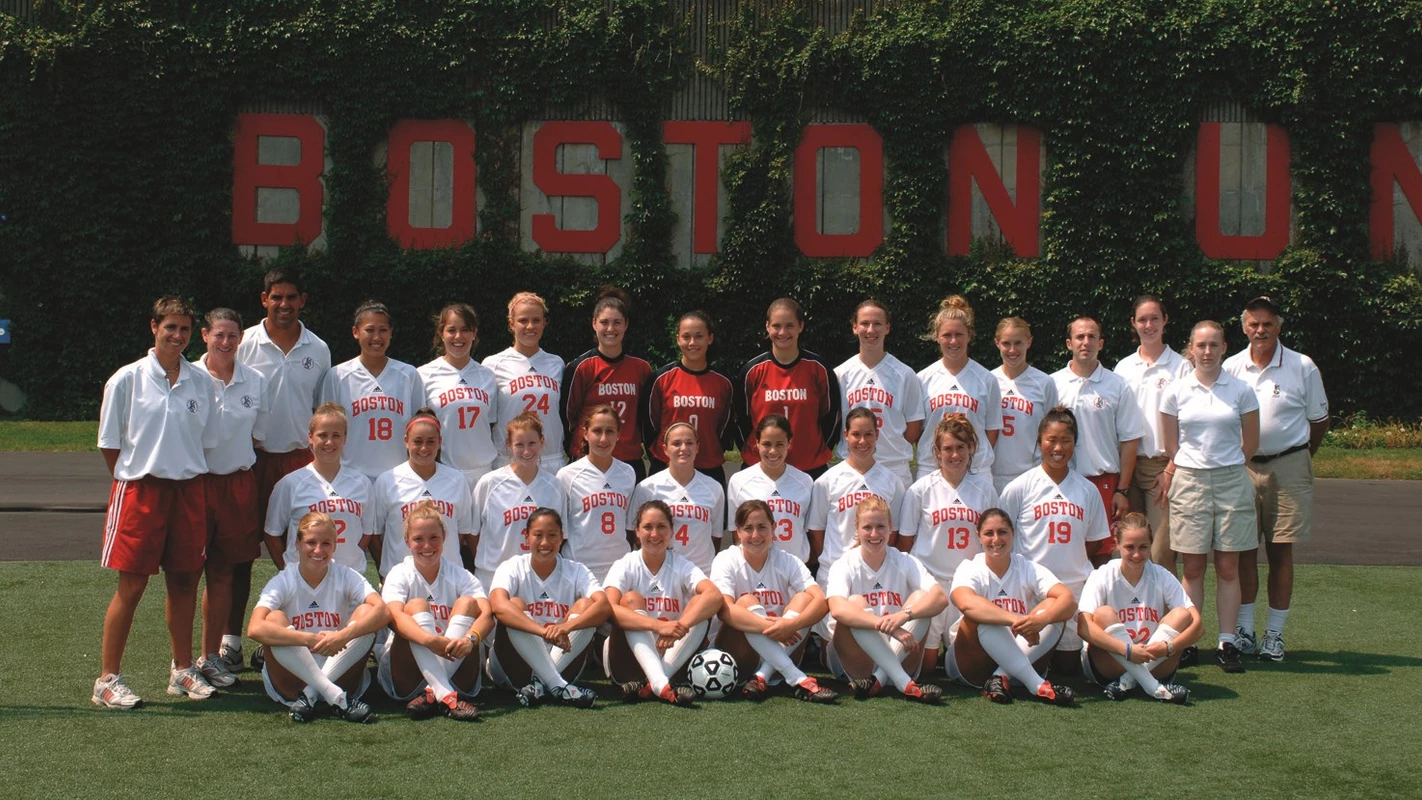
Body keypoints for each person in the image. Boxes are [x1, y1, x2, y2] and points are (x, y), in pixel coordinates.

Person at [93, 296, 218, 709]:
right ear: (154, 327)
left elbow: (206, 441)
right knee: (132, 586)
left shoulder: (202, 382)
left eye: (184, 329)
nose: (177, 336)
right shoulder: (126, 379)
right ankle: (107, 680)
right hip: (140, 492)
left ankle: (182, 670)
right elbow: (111, 446)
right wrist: (140, 470)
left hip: (188, 491)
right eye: (171, 328)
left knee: (184, 581)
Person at [232, 266, 331, 672]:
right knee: (236, 555)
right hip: (249, 460)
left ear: (303, 300)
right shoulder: (243, 345)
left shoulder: (318, 348)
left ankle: (292, 632)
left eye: (292, 297)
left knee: (302, 555)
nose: (284, 305)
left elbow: (322, 412)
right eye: (277, 297)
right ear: (263, 299)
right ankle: (228, 643)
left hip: (298, 462)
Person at [1223, 295, 1329, 664]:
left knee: (1281, 550)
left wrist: (1297, 456)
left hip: (1289, 465)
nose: (1260, 330)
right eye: (1253, 324)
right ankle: (1246, 631)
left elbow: (1319, 421)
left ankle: (1274, 636)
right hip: (1242, 467)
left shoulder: (1302, 366)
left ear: (1279, 326)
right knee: (1243, 550)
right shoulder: (1231, 367)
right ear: (1243, 328)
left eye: (1267, 323)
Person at [1161, 320, 1260, 674]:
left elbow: (1250, 444)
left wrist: (1226, 466)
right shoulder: (1175, 391)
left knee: (1229, 567)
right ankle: (1189, 640)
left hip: (1232, 480)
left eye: (1213, 345)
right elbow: (1172, 445)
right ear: (1191, 348)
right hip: (1189, 482)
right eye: (1201, 345)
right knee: (1193, 568)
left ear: (1223, 348)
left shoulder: (1241, 390)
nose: (1207, 352)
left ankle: (1227, 641)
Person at [247, 512, 389, 723]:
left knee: (367, 613)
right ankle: (336, 697)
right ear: (297, 543)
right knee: (274, 619)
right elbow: (255, 628)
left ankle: (312, 695)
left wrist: (342, 635)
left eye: (326, 543)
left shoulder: (346, 575)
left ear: (335, 546)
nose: (318, 550)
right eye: (311, 542)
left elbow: (383, 611)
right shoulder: (285, 579)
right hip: (292, 680)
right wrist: (309, 639)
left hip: (340, 669)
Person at [998, 406, 1112, 669]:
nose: (1058, 448)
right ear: (1039, 443)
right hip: (1030, 590)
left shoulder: (1087, 490)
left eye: (1066, 441)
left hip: (1072, 589)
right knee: (1033, 663)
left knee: (1067, 668)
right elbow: (1002, 538)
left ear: (1075, 444)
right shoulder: (1019, 487)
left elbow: (1094, 541)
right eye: (1051, 440)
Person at [192, 308, 268, 690]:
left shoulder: (254, 380)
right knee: (186, 573)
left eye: (232, 335)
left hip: (238, 484)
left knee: (225, 572)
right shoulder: (189, 377)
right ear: (205, 335)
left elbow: (258, 434)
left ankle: (210, 657)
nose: (225, 342)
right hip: (197, 485)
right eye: (218, 334)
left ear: (241, 338)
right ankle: (183, 662)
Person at [897, 414, 999, 668]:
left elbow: (994, 539)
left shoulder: (985, 489)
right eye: (948, 449)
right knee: (927, 666)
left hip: (967, 584)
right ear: (937, 452)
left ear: (971, 448)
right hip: (931, 583)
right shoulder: (920, 489)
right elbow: (906, 543)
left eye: (961, 448)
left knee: (964, 665)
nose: (954, 455)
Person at [946, 509, 1077, 705]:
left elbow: (1069, 601)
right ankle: (1035, 683)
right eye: (989, 533)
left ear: (1013, 533)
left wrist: (1041, 620)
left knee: (1052, 607)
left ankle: (1000, 678)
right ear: (978, 536)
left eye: (1002, 532)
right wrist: (1016, 620)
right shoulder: (970, 567)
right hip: (971, 665)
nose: (996, 539)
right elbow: (965, 602)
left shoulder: (1027, 566)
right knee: (982, 617)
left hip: (1021, 656)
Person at [712, 500, 837, 702]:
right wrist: (772, 627)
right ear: (738, 532)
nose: (755, 535)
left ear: (773, 528)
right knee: (745, 602)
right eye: (748, 528)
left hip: (783, 648)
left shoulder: (788, 560)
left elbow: (821, 601)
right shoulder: (726, 559)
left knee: (805, 599)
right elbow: (724, 610)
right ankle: (795, 677)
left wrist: (792, 624)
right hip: (740, 657)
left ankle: (763, 676)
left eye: (762, 527)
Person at [824, 497, 947, 702]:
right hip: (854, 663)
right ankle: (900, 680)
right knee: (855, 603)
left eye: (881, 526)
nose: (874, 534)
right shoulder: (844, 563)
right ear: (857, 528)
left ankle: (880, 679)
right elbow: (837, 609)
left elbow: (940, 598)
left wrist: (905, 615)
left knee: (922, 599)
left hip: (899, 653)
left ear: (891, 527)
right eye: (867, 527)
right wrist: (891, 627)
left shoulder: (904, 560)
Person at [379, 502, 492, 720]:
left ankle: (435, 693)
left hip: (458, 671)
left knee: (469, 603)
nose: (426, 545)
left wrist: (470, 639)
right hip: (408, 677)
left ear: (444, 538)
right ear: (407, 541)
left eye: (433, 538)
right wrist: (428, 640)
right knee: (415, 605)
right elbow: (393, 616)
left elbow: (487, 616)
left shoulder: (460, 574)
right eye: (418, 539)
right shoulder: (399, 573)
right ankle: (445, 694)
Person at [603, 501, 724, 705]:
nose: (654, 534)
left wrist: (680, 626)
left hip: (672, 656)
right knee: (631, 599)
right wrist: (659, 626)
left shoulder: (680, 563)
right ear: (637, 532)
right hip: (629, 662)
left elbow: (714, 596)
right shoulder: (626, 564)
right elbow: (607, 608)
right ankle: (659, 681)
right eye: (648, 527)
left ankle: (656, 683)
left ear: (671, 532)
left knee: (699, 604)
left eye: (661, 527)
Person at [488, 508, 609, 708]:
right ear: (526, 537)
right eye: (538, 535)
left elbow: (603, 606)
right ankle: (557, 684)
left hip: (561, 657)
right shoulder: (512, 566)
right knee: (515, 604)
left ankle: (542, 685)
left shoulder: (576, 570)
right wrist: (544, 632)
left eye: (552, 535)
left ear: (562, 537)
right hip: (514, 665)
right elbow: (498, 606)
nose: (545, 543)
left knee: (587, 606)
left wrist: (566, 628)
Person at [1077, 513, 1200, 703]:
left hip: (1153, 659)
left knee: (1182, 614)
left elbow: (1198, 625)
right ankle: (1153, 688)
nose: (1136, 554)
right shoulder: (1102, 575)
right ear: (1117, 545)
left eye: (1143, 547)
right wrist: (1127, 651)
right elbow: (1083, 627)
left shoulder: (1161, 575)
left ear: (1151, 545)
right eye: (1129, 547)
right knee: (1103, 614)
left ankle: (1126, 682)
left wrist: (1169, 647)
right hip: (1108, 666)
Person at [1051, 316, 1145, 559]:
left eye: (1092, 337)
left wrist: (1121, 490)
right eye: (1080, 337)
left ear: (1101, 344)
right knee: (1066, 553)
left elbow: (1130, 441)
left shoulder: (1117, 385)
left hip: (1104, 483)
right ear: (1069, 343)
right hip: (1063, 483)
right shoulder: (1051, 384)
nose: (1086, 342)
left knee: (1102, 557)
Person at [1113, 295, 1190, 570]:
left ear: (1165, 320)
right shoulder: (1123, 368)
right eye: (1142, 320)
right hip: (1127, 468)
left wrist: (1171, 468)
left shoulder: (1181, 366)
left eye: (1154, 318)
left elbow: (1189, 424)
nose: (1149, 325)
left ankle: (1168, 613)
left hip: (1163, 469)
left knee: (1160, 553)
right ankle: (1131, 614)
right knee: (1127, 550)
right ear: (1133, 323)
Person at [735, 297, 842, 478]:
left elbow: (832, 415)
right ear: (767, 326)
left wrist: (817, 449)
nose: (782, 332)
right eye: (776, 326)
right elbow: (741, 420)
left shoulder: (818, 368)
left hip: (809, 467)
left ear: (801, 326)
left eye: (790, 325)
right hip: (761, 467)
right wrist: (758, 449)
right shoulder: (751, 371)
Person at [320, 300, 425, 481]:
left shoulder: (408, 375)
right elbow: (324, 427)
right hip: (351, 475)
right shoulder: (337, 376)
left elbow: (419, 427)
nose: (376, 337)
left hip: (399, 476)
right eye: (369, 330)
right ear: (356, 332)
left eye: (383, 330)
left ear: (391, 333)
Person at [264, 403, 373, 576]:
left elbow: (366, 533)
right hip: (304, 580)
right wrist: (288, 572)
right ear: (310, 437)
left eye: (336, 435)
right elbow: (272, 534)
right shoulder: (290, 483)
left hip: (350, 579)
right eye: (322, 435)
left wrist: (349, 562)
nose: (329, 442)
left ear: (345, 438)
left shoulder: (362, 483)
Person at [561, 287, 654, 479]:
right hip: (589, 457)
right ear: (594, 324)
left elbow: (646, 417)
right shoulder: (580, 367)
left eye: (617, 322)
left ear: (626, 325)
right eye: (604, 322)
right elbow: (568, 415)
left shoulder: (641, 368)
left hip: (629, 458)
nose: (610, 329)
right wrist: (578, 447)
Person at [368, 410, 475, 578]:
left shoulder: (457, 480)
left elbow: (461, 532)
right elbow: (375, 535)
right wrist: (388, 571)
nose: (424, 448)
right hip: (402, 580)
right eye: (417, 441)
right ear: (406, 441)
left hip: (447, 578)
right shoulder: (388, 481)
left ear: (440, 442)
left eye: (430, 441)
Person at [807, 408, 907, 579]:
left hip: (876, 573)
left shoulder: (893, 482)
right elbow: (817, 533)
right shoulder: (826, 481)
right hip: (834, 573)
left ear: (877, 434)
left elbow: (893, 533)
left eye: (868, 434)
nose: (862, 441)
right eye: (856, 434)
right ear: (846, 435)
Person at [835, 299, 925, 488]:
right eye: (864, 323)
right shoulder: (841, 374)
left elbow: (913, 428)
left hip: (894, 467)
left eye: (877, 324)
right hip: (853, 467)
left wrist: (889, 448)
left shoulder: (904, 374)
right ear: (854, 327)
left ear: (887, 328)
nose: (870, 330)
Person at [470, 412, 566, 590]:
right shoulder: (489, 483)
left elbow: (560, 537)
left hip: (535, 579)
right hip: (492, 577)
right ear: (509, 445)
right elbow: (473, 534)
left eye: (532, 444)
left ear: (542, 442)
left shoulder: (555, 486)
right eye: (519, 445)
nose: (527, 451)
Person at [642, 310, 734, 487]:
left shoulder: (723, 383)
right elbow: (650, 426)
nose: (692, 343)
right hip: (667, 467)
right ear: (678, 339)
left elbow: (724, 428)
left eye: (699, 336)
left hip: (709, 468)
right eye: (686, 337)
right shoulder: (660, 379)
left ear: (710, 338)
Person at [916, 295, 1001, 481]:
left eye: (959, 335)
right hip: (932, 469)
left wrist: (973, 456)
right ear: (937, 336)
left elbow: (991, 432)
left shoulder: (987, 379)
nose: (953, 341)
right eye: (947, 335)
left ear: (969, 335)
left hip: (976, 470)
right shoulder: (922, 379)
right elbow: (919, 430)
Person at [418, 302, 499, 491]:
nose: (458, 337)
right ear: (441, 333)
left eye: (465, 330)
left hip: (483, 472)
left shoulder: (487, 376)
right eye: (451, 330)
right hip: (443, 471)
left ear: (474, 333)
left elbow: (491, 424)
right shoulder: (424, 375)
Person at [629, 422, 726, 574]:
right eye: (676, 443)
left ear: (697, 447)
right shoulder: (647, 488)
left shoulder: (714, 488)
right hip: (662, 572)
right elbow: (636, 536)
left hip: (701, 573)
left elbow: (715, 537)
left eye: (689, 443)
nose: (683, 448)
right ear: (665, 449)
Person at [484, 292, 566, 471]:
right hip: (508, 460)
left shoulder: (556, 363)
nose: (530, 326)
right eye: (523, 320)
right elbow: (487, 420)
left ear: (544, 323)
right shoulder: (493, 364)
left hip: (551, 460)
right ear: (511, 323)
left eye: (536, 320)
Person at [557, 405, 636, 582]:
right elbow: (560, 529)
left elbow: (630, 527)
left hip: (619, 567)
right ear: (585, 433)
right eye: (597, 431)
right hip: (580, 567)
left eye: (610, 431)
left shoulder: (627, 473)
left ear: (618, 434)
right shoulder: (567, 475)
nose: (603, 438)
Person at [726, 414, 814, 564]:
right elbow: (737, 532)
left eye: (779, 444)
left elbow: (809, 531)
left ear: (789, 443)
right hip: (754, 567)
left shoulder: (805, 482)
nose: (773, 451)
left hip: (795, 569)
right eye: (767, 444)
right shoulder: (739, 481)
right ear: (757, 443)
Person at [990, 316, 1058, 493]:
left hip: (1031, 475)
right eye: (1006, 343)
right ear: (997, 343)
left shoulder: (1044, 383)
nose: (1012, 350)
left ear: (1029, 342)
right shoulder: (987, 380)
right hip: (991, 474)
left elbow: (1053, 431)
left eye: (1018, 343)